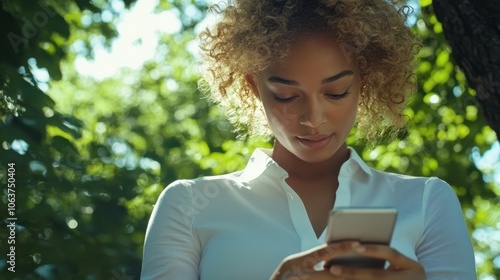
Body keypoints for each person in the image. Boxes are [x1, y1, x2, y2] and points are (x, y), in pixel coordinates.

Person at [141, 0, 477, 279]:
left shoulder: (426, 201)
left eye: (336, 92)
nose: (313, 119)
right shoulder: (188, 206)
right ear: (253, 87)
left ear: (366, 80)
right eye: (286, 96)